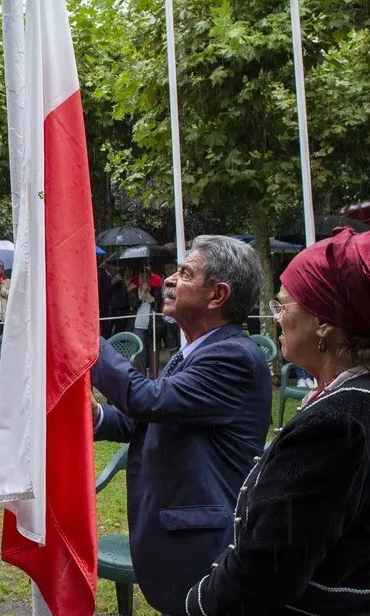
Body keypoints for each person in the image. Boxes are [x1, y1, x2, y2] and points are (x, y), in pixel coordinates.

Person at [185, 228, 370, 615]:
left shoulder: (337, 426)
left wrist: (196, 606)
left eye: (283, 307)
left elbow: (265, 572)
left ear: (324, 321)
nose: (277, 320)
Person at [91, 235, 271, 615]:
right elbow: (153, 417)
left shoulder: (231, 355)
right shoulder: (200, 349)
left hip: (206, 547)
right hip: (180, 540)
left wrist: (86, 338)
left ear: (217, 295)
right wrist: (98, 417)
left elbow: (147, 399)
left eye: (185, 273)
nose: (169, 279)